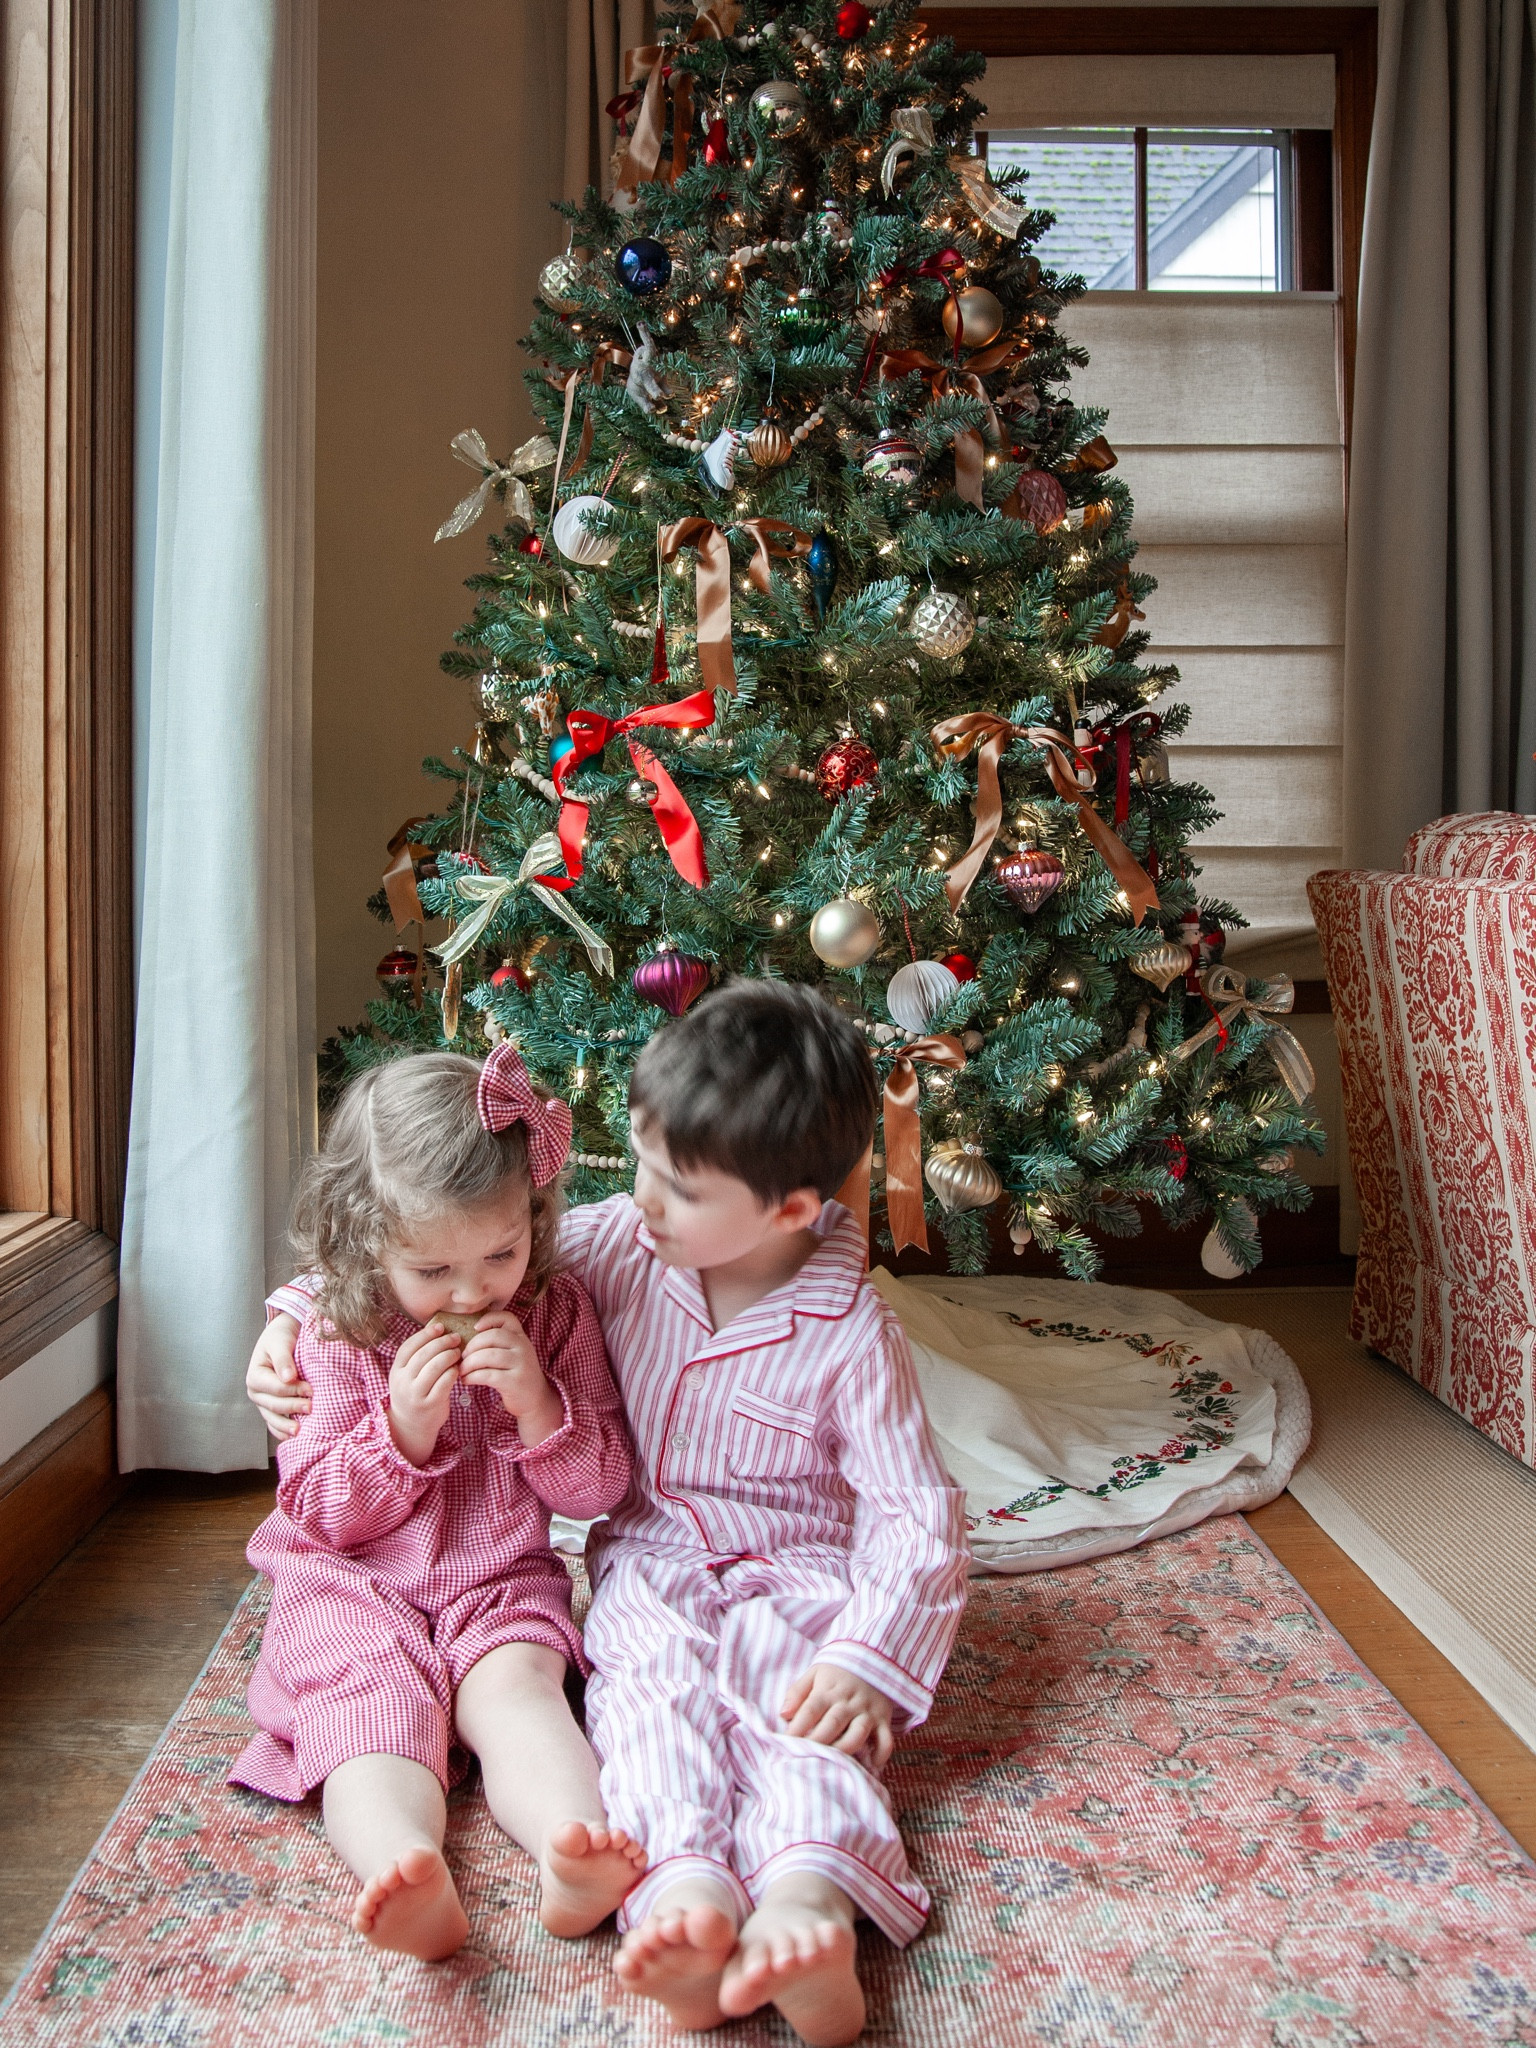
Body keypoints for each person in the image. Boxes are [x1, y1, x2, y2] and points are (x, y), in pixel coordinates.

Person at [251, 985, 969, 2045]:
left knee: (800, 1724)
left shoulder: (834, 1330)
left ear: (786, 1210)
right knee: (640, 1711)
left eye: (676, 1183)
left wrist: (870, 1656)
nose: (640, 1198)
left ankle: (805, 1907)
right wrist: (291, 1318)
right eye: (640, 1162)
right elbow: (425, 1238)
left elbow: (916, 1514)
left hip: (785, 1578)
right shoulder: (623, 1242)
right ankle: (678, 1900)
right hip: (610, 1572)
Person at [232, 1042, 642, 1963]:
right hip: (352, 1585)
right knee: (369, 1710)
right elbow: (318, 1513)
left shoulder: (555, 1313)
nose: (472, 1291)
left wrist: (539, 1406)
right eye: (431, 1271)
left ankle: (572, 1844)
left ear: (534, 1216)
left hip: (498, 1577)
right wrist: (402, 1431)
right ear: (364, 1240)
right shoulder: (335, 1333)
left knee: (521, 1692)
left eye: (501, 1252)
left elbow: (600, 1488)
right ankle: (404, 1865)